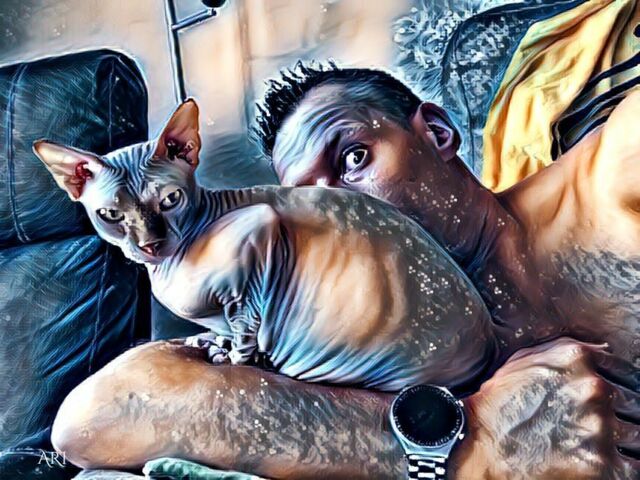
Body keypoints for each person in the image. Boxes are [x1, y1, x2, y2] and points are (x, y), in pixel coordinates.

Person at [50, 65, 639, 479]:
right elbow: (92, 420)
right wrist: (463, 443)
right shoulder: (326, 324)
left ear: (436, 133)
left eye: (353, 158)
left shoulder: (606, 190)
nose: (342, 210)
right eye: (313, 201)